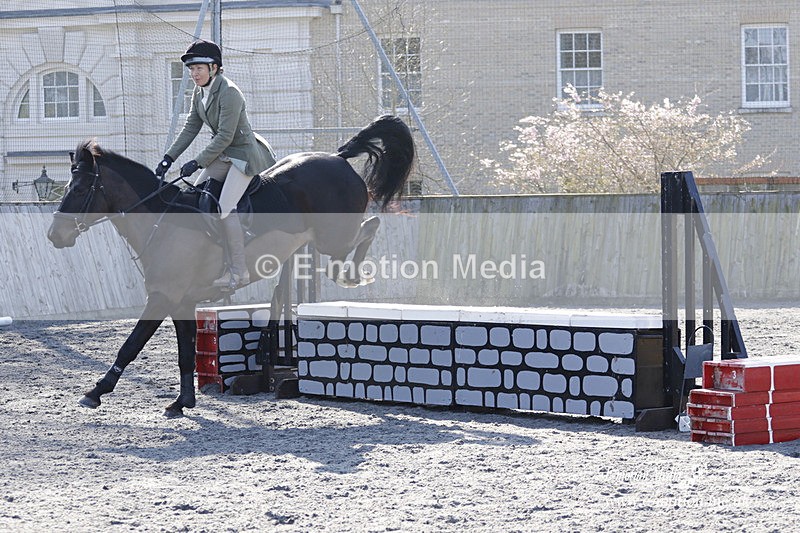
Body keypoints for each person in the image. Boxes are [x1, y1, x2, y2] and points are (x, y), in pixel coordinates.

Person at [155, 39, 276, 289]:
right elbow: (190, 128)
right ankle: (204, 262)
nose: (194, 73)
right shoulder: (199, 94)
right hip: (222, 156)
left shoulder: (230, 93)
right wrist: (169, 158)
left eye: (199, 68)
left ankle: (239, 271)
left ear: (215, 68)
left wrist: (197, 163)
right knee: (195, 199)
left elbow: (225, 136)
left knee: (224, 208)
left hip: (243, 156)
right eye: (191, 69)